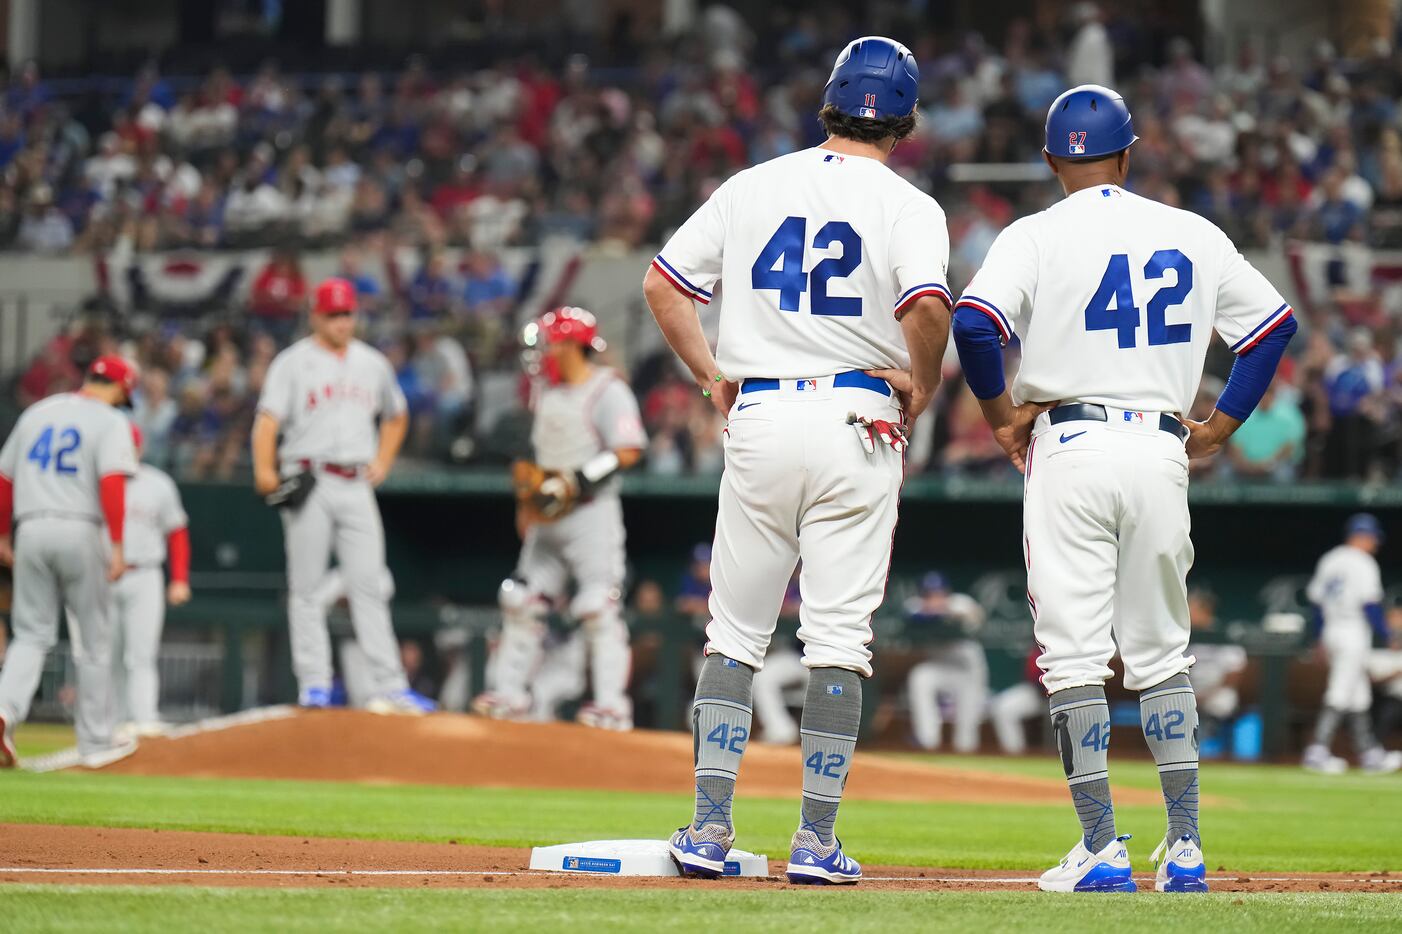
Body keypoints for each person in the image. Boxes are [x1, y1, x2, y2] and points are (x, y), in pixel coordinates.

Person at [952, 85, 1295, 893]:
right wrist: (1219, 427)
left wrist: (1002, 418)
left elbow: (975, 326)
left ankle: (1102, 848)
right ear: (1128, 155)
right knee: (1161, 653)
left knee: (1074, 656)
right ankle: (1184, 849)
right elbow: (1272, 328)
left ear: (1050, 160)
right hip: (1158, 446)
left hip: (1067, 443)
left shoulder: (1034, 233)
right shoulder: (1190, 231)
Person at [643, 36, 951, 885]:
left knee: (735, 629)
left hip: (766, 408)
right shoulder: (909, 204)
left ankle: (708, 827)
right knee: (838, 635)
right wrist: (921, 382)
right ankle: (815, 841)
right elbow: (926, 305)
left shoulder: (753, 185)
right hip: (860, 414)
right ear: (906, 120)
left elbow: (663, 284)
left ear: (829, 101)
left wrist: (711, 377)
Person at [251, 277, 435, 715]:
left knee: (368, 583)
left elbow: (396, 415)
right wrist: (264, 468)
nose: (341, 321)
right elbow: (267, 421)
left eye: (347, 313)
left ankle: (390, 687)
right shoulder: (292, 363)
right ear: (315, 315)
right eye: (332, 314)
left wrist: (385, 459)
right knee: (307, 588)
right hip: (308, 477)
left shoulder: (371, 364)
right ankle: (313, 684)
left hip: (354, 479)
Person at [471, 307, 647, 730]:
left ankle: (609, 705)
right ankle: (509, 695)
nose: (545, 351)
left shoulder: (608, 389)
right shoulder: (544, 391)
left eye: (552, 342)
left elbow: (629, 449)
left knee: (597, 607)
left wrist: (578, 479)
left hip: (591, 513)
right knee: (521, 599)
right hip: (547, 518)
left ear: (573, 345)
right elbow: (535, 458)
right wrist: (526, 504)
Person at [0, 356, 140, 767]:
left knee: (30, 634)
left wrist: (3, 534)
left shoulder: (37, 413)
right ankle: (96, 741)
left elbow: (4, 480)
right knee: (94, 639)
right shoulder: (110, 421)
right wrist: (116, 547)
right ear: (118, 388)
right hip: (80, 527)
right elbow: (111, 482)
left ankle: (4, 713)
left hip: (31, 528)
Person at [104, 423, 191, 736]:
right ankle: (107, 724)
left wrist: (179, 578)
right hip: (103, 576)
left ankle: (143, 720)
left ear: (140, 448)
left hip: (145, 573)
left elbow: (177, 532)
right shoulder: (95, 482)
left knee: (141, 654)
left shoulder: (158, 484)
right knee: (105, 656)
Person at [1302, 514, 1401, 774]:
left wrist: (1319, 638)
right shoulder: (1363, 562)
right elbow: (1370, 604)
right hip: (1352, 630)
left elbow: (1317, 604)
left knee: (1358, 696)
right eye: (1372, 537)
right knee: (1340, 691)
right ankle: (1317, 750)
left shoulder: (1331, 558)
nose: (1375, 543)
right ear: (1362, 535)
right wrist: (1388, 634)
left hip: (1333, 630)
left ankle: (1369, 753)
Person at [904, 572, 989, 753]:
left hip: (968, 669)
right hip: (940, 666)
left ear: (947, 593)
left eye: (939, 593)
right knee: (920, 677)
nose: (935, 598)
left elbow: (975, 618)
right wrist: (933, 614)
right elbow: (910, 615)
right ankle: (927, 739)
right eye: (929, 594)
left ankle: (966, 754)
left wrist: (945, 613)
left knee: (966, 731)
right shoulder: (915, 606)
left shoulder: (961, 603)